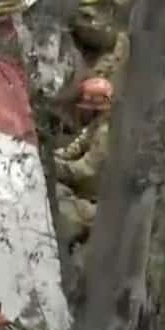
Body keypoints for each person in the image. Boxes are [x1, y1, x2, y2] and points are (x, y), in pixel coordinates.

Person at [54, 76, 112, 252]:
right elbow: (71, 151)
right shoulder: (94, 128)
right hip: (84, 197)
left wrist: (51, 166)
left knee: (55, 199)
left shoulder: (106, 134)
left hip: (97, 208)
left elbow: (85, 171)